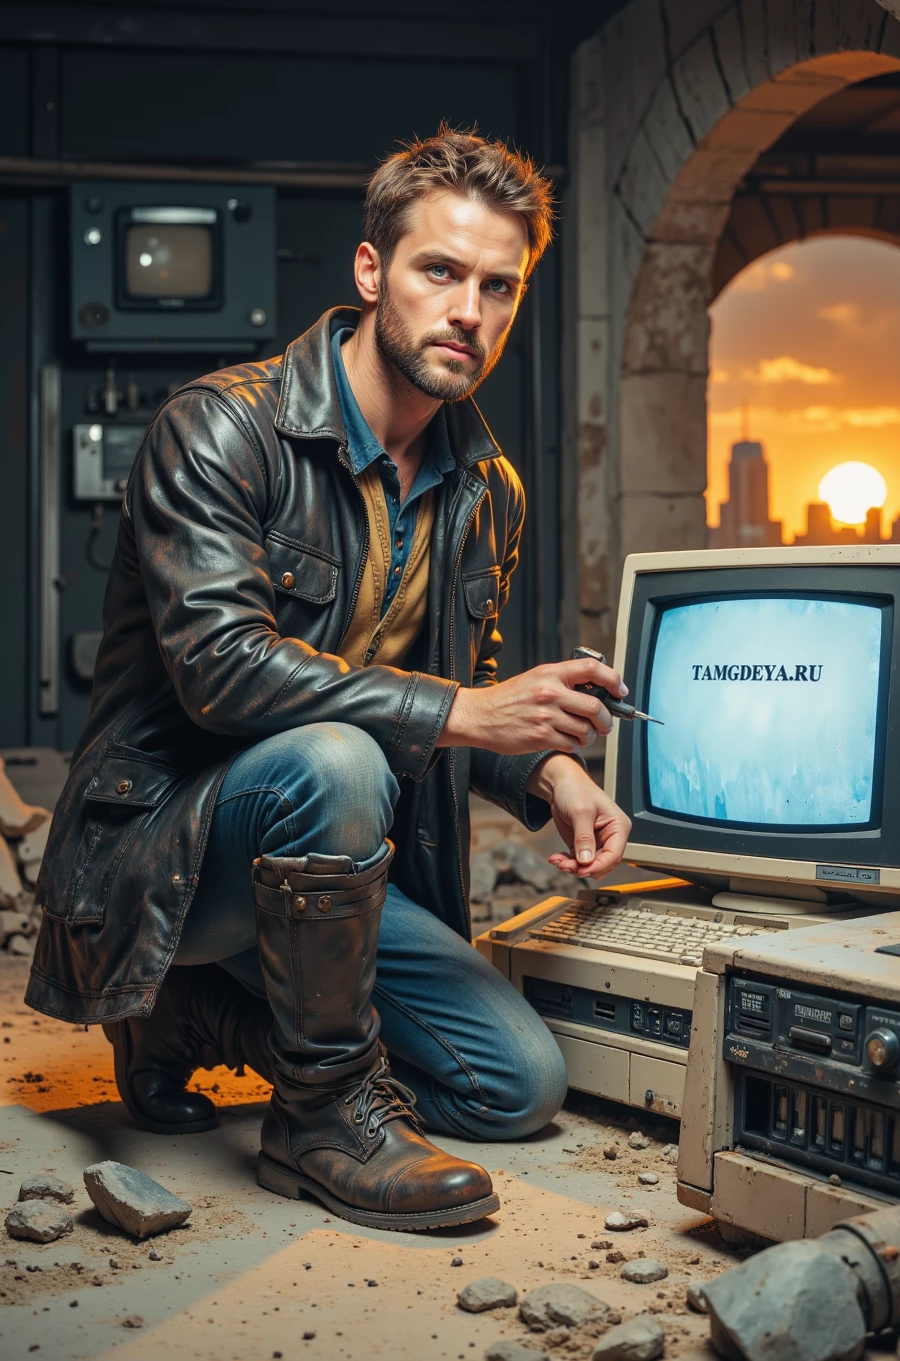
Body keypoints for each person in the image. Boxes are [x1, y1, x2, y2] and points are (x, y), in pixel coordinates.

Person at [26, 128, 631, 1231]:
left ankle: (192, 1024)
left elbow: (470, 691)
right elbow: (222, 674)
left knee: (513, 1087)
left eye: (500, 287)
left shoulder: (485, 488)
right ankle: (318, 1119)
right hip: (162, 857)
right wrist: (464, 710)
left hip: (331, 876)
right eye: (439, 272)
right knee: (339, 758)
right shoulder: (219, 429)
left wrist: (548, 771)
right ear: (370, 273)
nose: (470, 311)